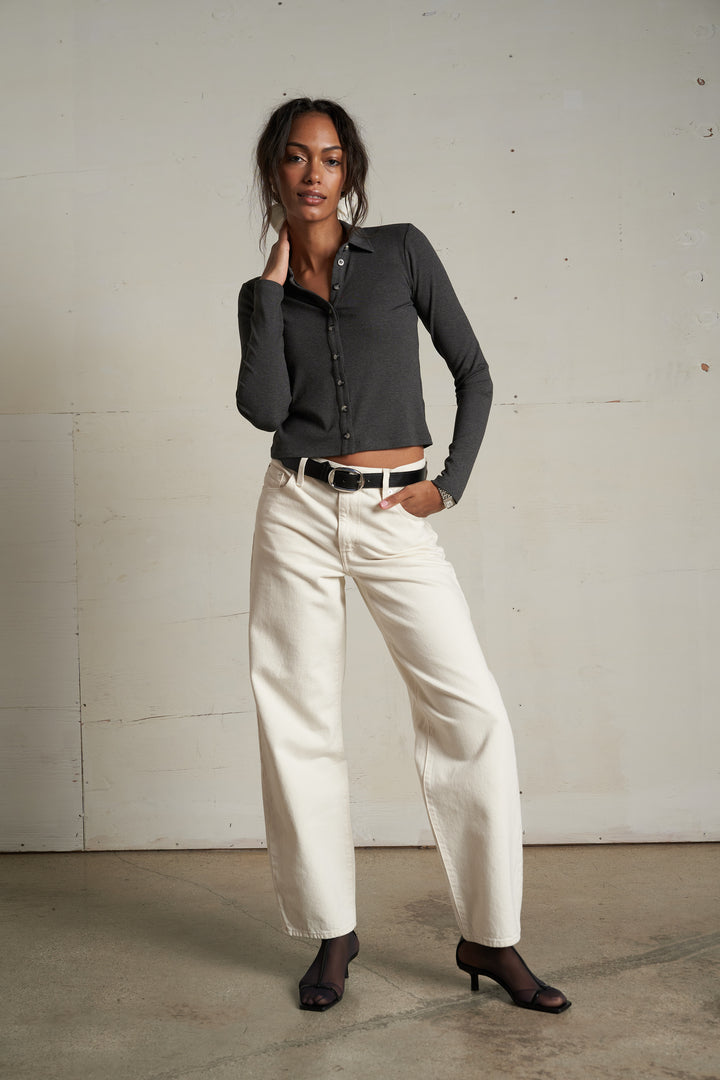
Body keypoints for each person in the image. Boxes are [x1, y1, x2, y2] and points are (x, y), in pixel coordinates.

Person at [236, 97, 570, 1015]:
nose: (314, 174)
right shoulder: (262, 295)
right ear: (274, 172)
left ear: (349, 172)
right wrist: (267, 291)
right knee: (299, 717)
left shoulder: (403, 252)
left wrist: (448, 484)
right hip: (296, 509)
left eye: (330, 159)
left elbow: (475, 373)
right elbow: (263, 409)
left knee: (471, 712)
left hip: (393, 512)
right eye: (297, 157)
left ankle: (489, 935)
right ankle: (331, 932)